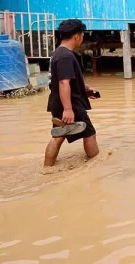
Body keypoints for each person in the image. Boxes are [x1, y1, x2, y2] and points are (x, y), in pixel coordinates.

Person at [44, 19, 100, 167]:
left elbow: (62, 81)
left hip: (59, 101)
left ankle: (47, 168)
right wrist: (68, 109)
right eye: (82, 35)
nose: (82, 39)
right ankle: (96, 165)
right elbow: (64, 83)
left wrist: (84, 89)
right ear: (76, 36)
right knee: (89, 133)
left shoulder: (59, 53)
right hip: (70, 104)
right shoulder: (66, 56)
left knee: (59, 135)